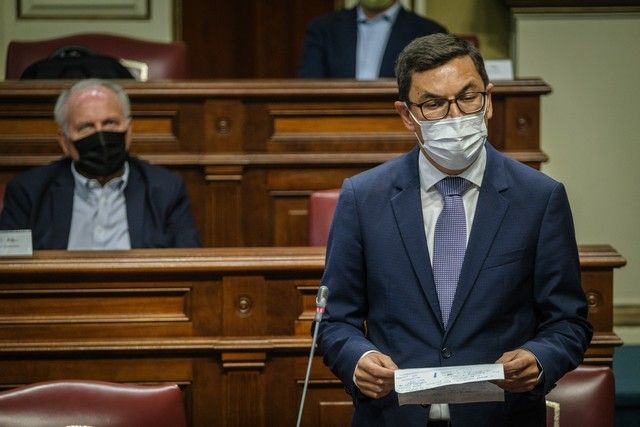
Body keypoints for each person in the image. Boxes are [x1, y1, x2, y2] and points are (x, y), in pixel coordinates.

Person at [317, 33, 592, 426]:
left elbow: (569, 322)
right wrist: (357, 359)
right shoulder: (364, 197)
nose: (456, 116)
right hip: (393, 415)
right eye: (433, 104)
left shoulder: (539, 198)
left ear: (489, 99)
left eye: (468, 97)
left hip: (499, 415)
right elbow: (335, 320)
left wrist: (539, 358)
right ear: (405, 114)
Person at [0, 79, 201, 249]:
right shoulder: (29, 192)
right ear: (64, 142)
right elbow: (10, 267)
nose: (100, 135)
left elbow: (189, 264)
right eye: (86, 127)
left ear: (129, 131)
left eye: (110, 123)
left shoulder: (166, 190)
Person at [297, 0, 446, 79]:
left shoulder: (429, 32)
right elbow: (309, 85)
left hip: (399, 125)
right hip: (335, 123)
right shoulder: (322, 29)